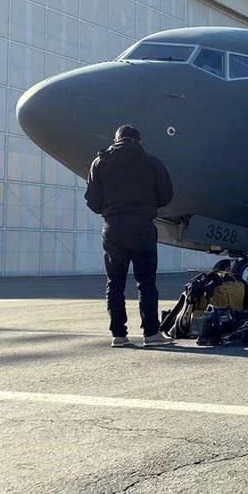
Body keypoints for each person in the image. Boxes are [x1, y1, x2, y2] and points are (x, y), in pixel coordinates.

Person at [85, 125, 174, 347]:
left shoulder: (100, 162)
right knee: (146, 283)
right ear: (139, 141)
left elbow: (93, 202)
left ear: (115, 140)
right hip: (142, 227)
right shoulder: (152, 163)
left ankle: (118, 335)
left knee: (114, 283)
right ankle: (151, 334)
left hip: (113, 228)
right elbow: (166, 195)